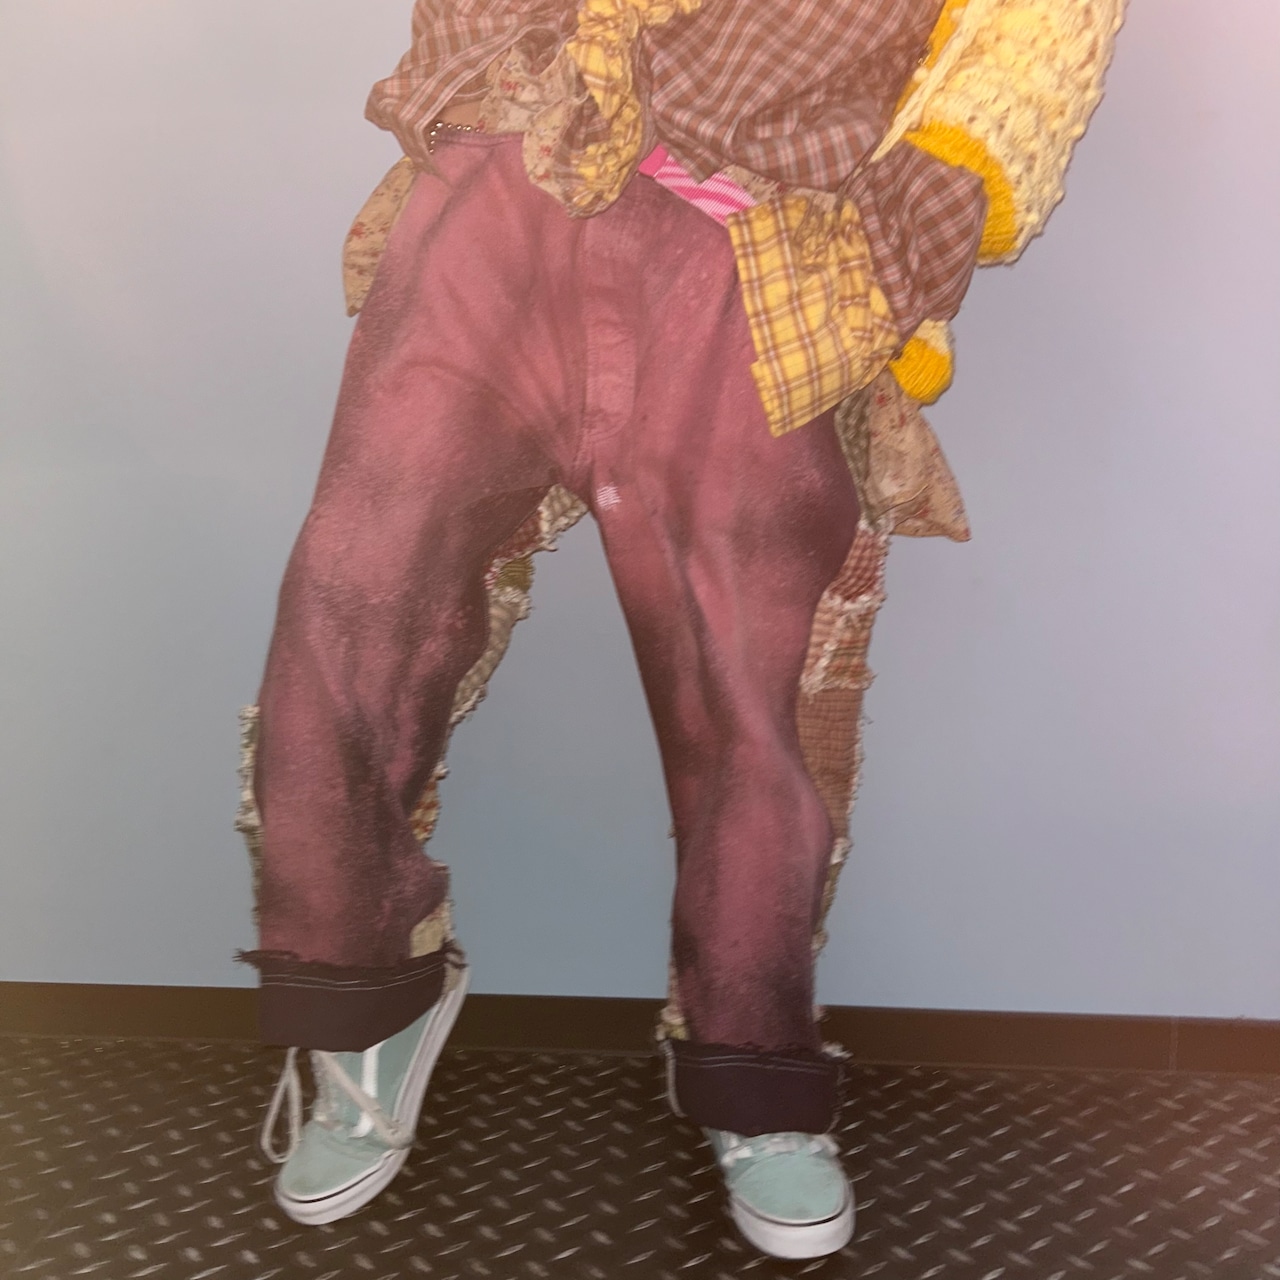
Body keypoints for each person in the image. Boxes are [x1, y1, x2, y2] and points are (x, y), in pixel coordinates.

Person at [237, 0, 1123, 1259]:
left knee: (747, 681)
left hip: (760, 232)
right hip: (517, 165)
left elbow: (1038, 40)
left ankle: (751, 1067)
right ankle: (361, 1007)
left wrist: (916, 214)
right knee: (352, 597)